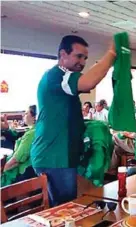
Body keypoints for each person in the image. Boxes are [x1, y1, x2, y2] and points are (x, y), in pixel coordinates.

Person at [30, 35, 116, 207]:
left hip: (63, 155)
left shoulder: (64, 77)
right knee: (65, 210)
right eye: (78, 56)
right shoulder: (56, 76)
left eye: (85, 58)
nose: (83, 62)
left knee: (69, 207)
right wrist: (112, 53)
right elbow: (88, 82)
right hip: (53, 156)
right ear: (63, 54)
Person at [3, 105, 37, 172]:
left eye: (26, 113)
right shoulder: (35, 130)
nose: (23, 115)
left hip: (20, 171)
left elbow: (16, 159)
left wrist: (4, 170)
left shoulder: (31, 134)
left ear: (34, 117)